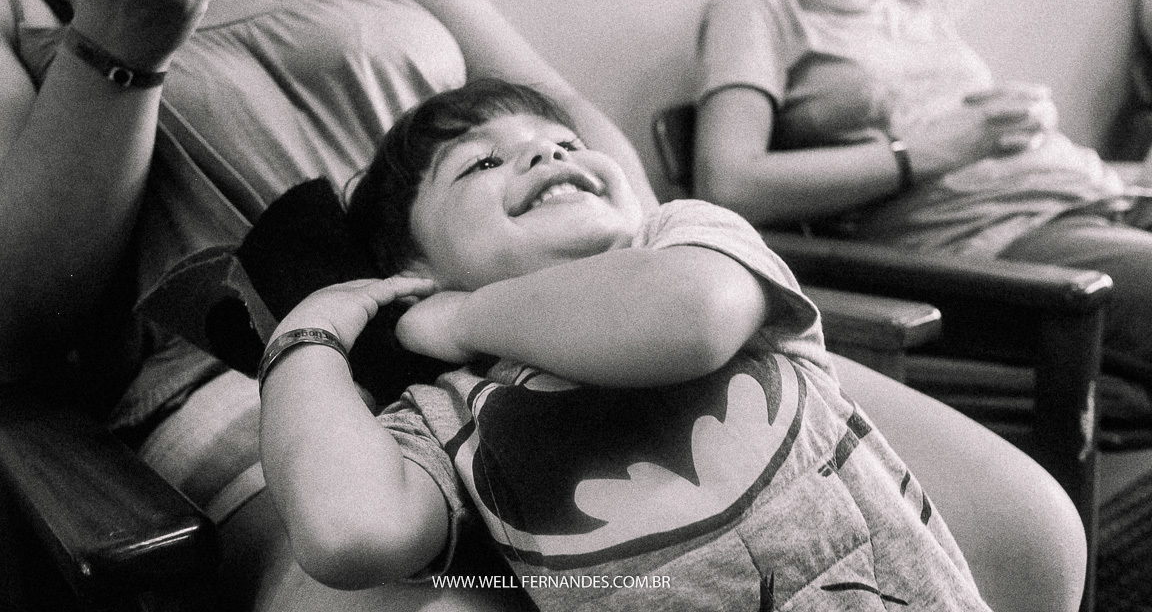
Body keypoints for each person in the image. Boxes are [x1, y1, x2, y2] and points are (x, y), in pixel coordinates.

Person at [0, 0, 650, 610]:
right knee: (450, 598)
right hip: (251, 383)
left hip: (506, 309)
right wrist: (119, 41)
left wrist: (661, 247)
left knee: (738, 484)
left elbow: (555, 107)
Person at [259, 79, 995, 611]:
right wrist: (308, 338)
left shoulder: (692, 240)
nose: (546, 157)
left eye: (564, 144)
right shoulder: (447, 419)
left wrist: (462, 317)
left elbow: (693, 316)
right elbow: (350, 533)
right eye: (482, 163)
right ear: (413, 273)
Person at [693, 0, 1152, 391]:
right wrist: (921, 151)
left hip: (1092, 199)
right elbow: (727, 182)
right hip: (999, 250)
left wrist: (1019, 121)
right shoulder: (757, 7)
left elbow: (962, 121)